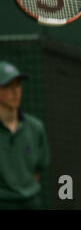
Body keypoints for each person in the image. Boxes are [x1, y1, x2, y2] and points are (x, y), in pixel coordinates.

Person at [0, 61, 49, 210]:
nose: (15, 92)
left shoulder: (36, 128)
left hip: (31, 203)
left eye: (18, 85)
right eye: (8, 86)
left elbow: (38, 170)